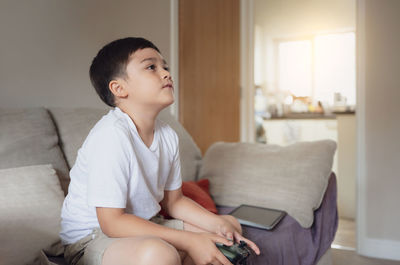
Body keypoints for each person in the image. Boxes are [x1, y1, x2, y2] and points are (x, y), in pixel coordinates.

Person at [60, 37, 260, 265]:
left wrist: (217, 224)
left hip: (146, 223)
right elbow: (112, 223)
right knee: (159, 253)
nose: (166, 73)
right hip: (94, 236)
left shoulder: (167, 135)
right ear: (119, 88)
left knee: (229, 229)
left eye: (165, 67)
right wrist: (188, 240)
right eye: (151, 67)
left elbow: (174, 202)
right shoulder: (111, 136)